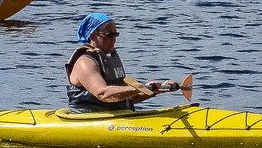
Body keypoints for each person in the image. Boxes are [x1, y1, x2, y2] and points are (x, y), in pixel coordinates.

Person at [65, 13, 193, 112]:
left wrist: (158, 89)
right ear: (93, 36)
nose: (113, 39)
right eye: (109, 35)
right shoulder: (85, 62)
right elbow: (103, 93)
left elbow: (128, 98)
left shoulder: (108, 60)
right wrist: (141, 87)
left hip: (115, 117)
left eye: (116, 34)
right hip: (89, 119)